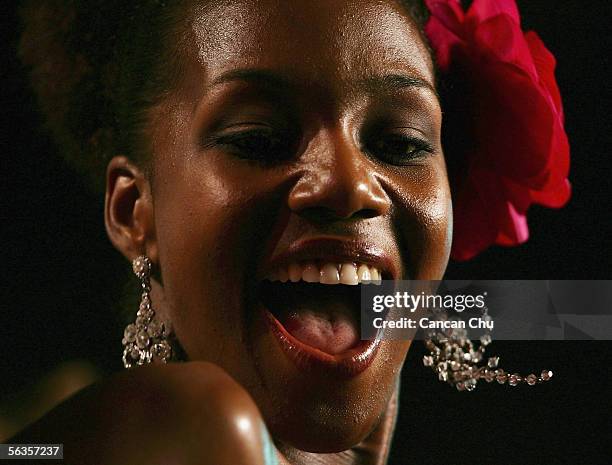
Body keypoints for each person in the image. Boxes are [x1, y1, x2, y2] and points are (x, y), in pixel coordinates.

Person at [13, 0, 569, 464]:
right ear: (134, 211)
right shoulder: (199, 423)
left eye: (400, 143)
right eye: (259, 139)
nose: (352, 185)